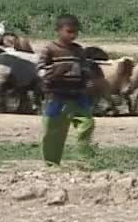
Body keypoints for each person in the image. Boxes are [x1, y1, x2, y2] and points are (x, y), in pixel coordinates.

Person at [37, 15, 95, 166]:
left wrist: (88, 82)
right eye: (69, 31)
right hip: (57, 95)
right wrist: (52, 73)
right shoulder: (50, 49)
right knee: (54, 131)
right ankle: (51, 163)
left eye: (75, 32)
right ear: (58, 31)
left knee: (87, 123)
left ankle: (84, 158)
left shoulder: (78, 50)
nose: (72, 35)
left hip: (78, 95)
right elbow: (40, 68)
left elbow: (84, 69)